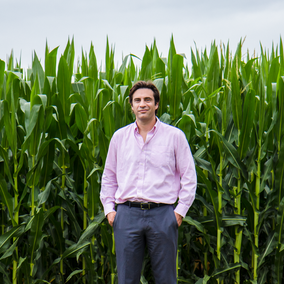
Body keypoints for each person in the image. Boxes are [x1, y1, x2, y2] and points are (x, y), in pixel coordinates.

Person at [100, 81, 197, 284]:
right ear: (131, 105)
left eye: (147, 100)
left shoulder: (175, 137)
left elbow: (189, 177)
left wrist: (179, 212)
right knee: (127, 279)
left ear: (156, 105)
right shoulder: (119, 138)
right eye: (137, 100)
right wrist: (109, 209)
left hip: (163, 214)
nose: (142, 104)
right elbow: (109, 176)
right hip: (127, 214)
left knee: (166, 279)